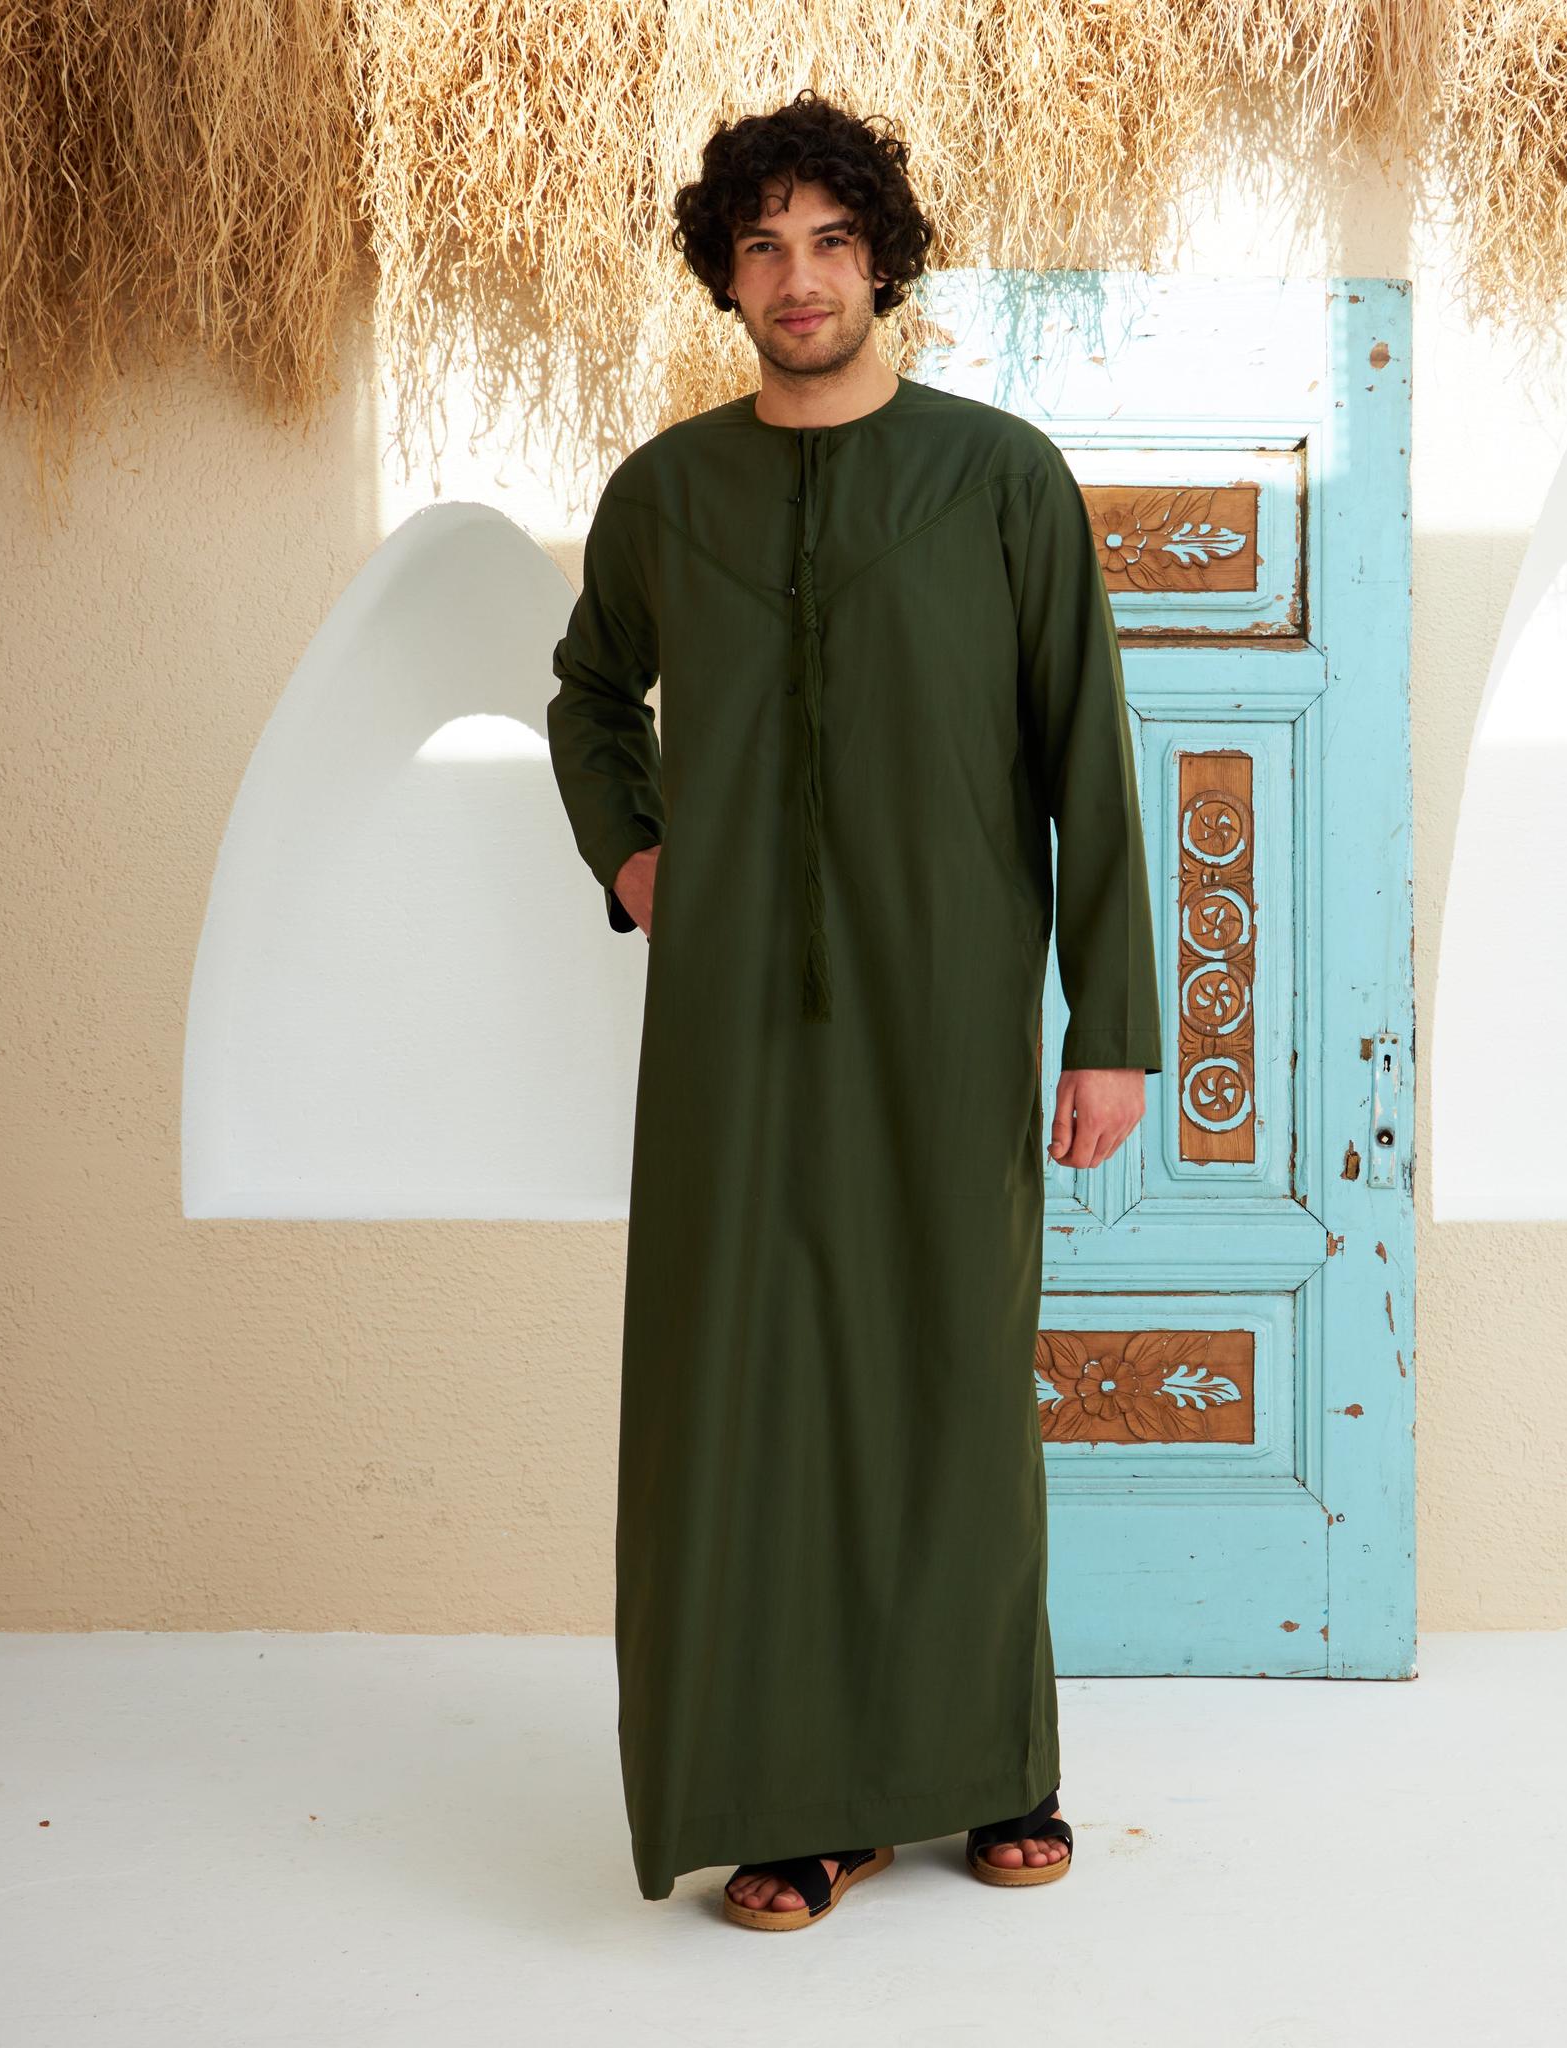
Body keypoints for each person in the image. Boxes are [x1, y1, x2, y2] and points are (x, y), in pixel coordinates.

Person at [546, 87, 1162, 1924]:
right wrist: (634, 854)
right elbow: (590, 695)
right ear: (725, 277)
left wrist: (1110, 1025)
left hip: (950, 1001)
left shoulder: (999, 478)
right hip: (730, 1029)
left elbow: (1086, 754)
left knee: (951, 1367)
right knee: (755, 1383)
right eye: (762, 246)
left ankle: (991, 1766)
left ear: (882, 260)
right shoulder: (668, 496)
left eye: (829, 240)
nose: (797, 277)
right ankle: (798, 1797)